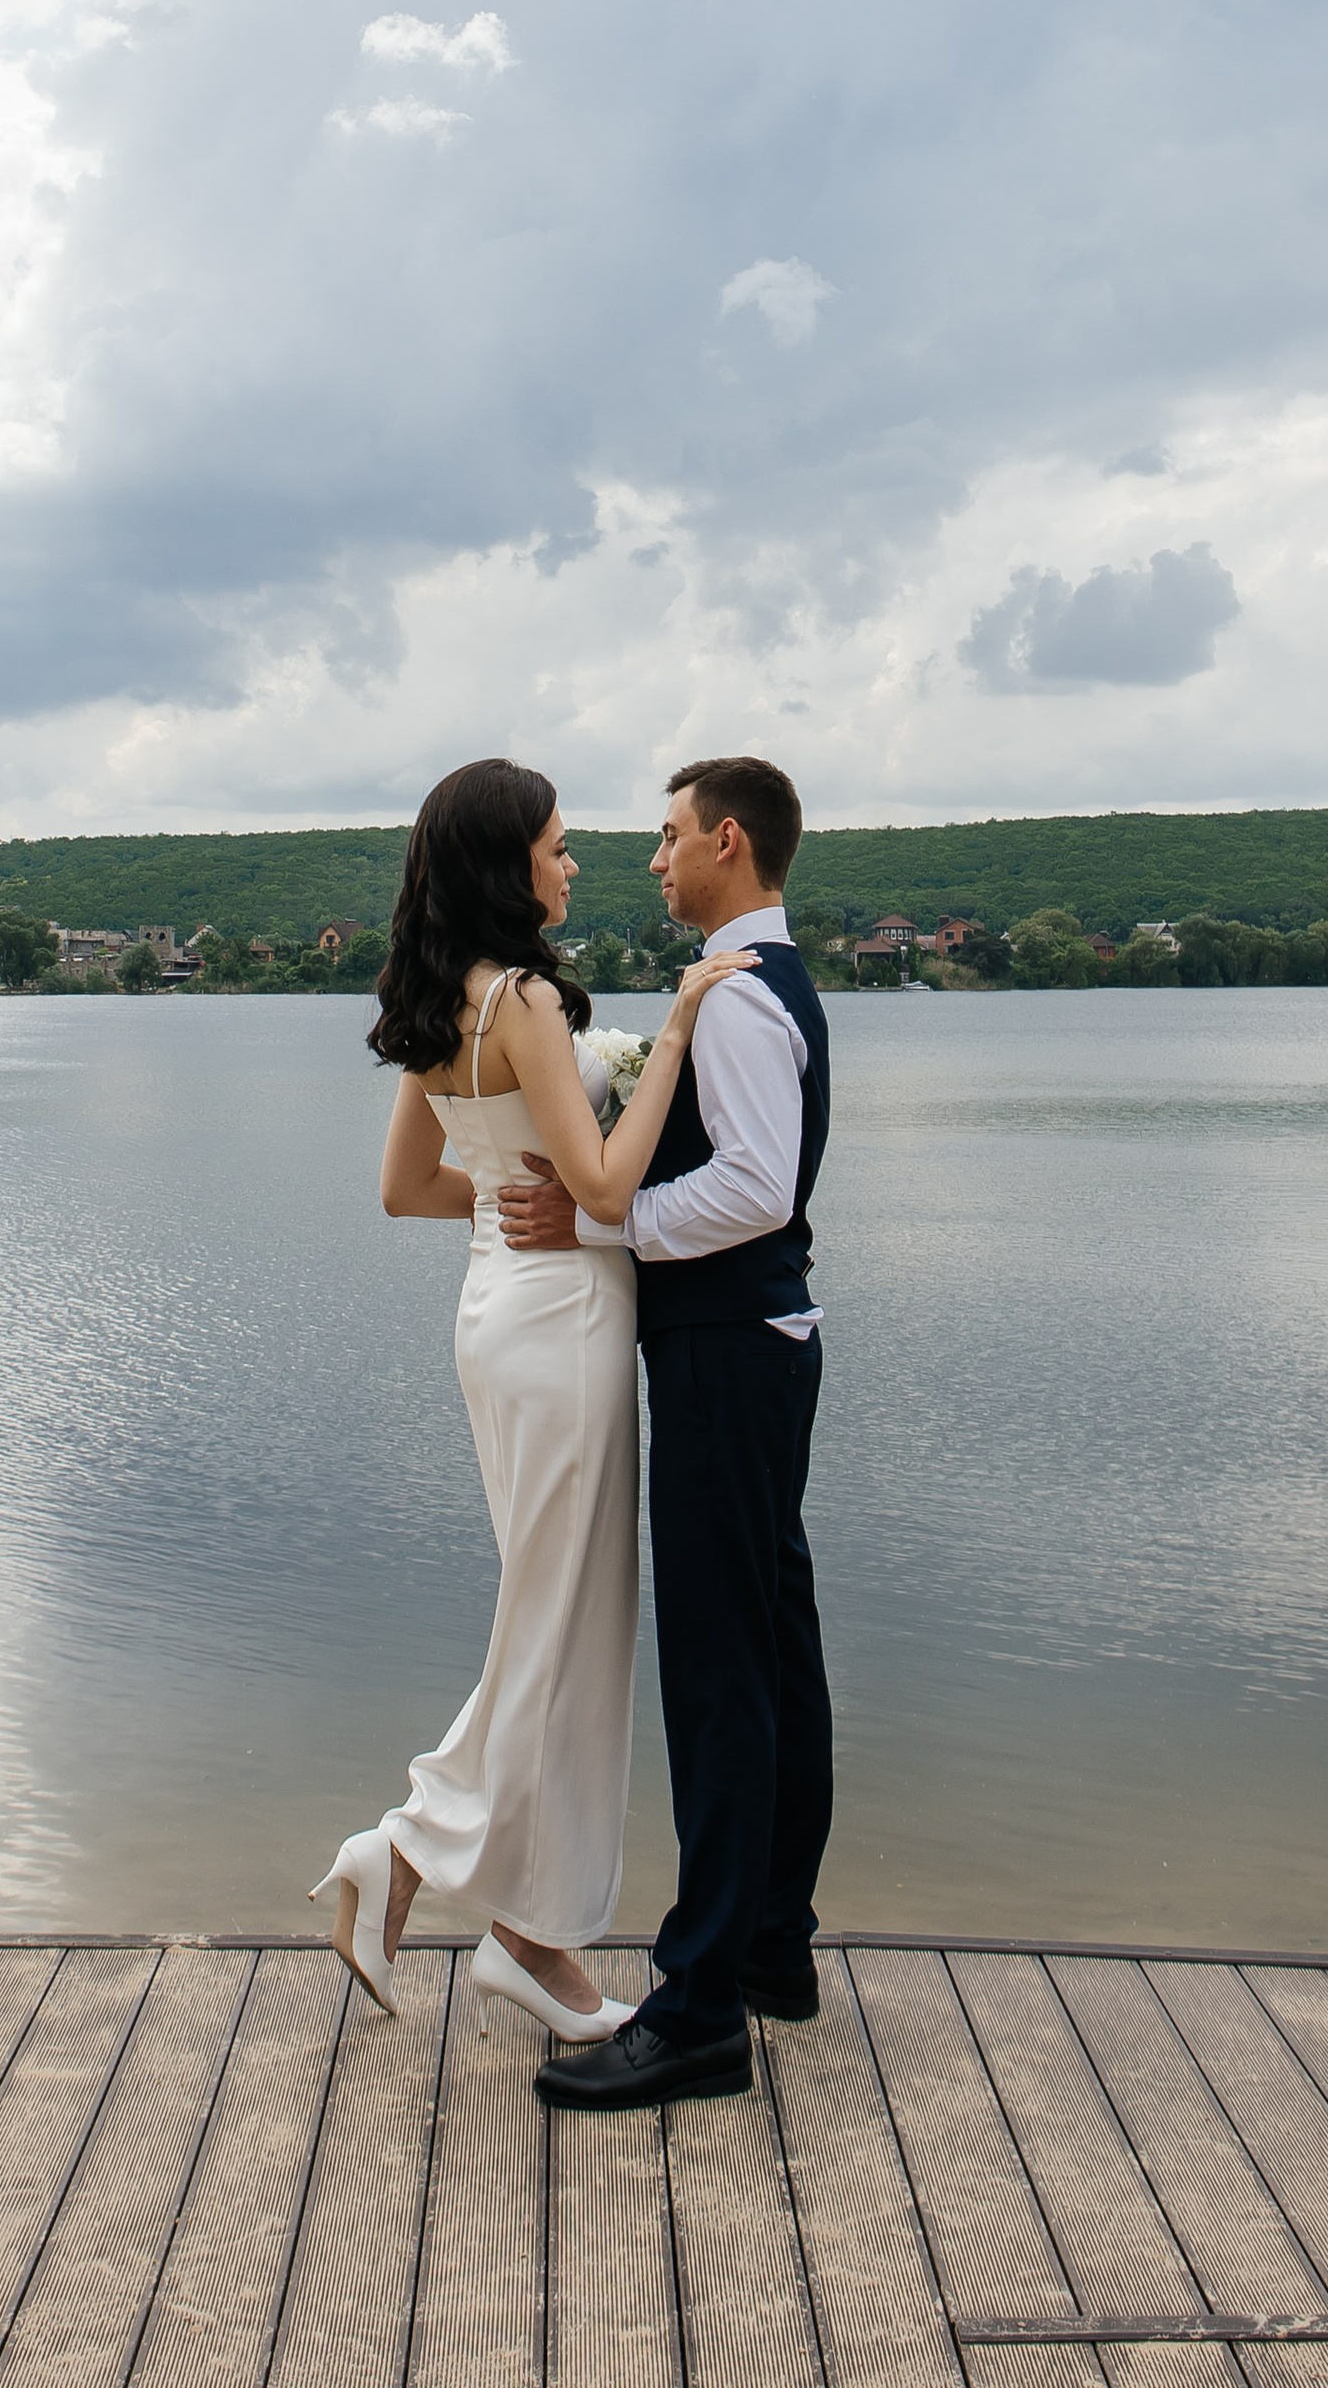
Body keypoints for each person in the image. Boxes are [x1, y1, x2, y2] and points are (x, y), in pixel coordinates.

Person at [311, 756, 757, 2044]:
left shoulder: (439, 1001)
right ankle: (402, 1856)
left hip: (496, 1311)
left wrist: (513, 1199)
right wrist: (672, 1034)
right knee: (558, 1623)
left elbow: (408, 1188)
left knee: (558, 1624)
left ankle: (535, 1934)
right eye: (559, 847)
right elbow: (611, 1187)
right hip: (562, 1327)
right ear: (512, 866)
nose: (575, 864)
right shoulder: (527, 1003)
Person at [501, 753, 833, 2114]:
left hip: (723, 1353)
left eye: (671, 836)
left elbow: (752, 1188)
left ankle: (698, 2011)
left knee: (717, 1678)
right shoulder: (758, 982)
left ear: (729, 842)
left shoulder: (743, 998)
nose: (653, 859)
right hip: (757, 1348)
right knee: (771, 1653)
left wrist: (605, 1222)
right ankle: (769, 1951)